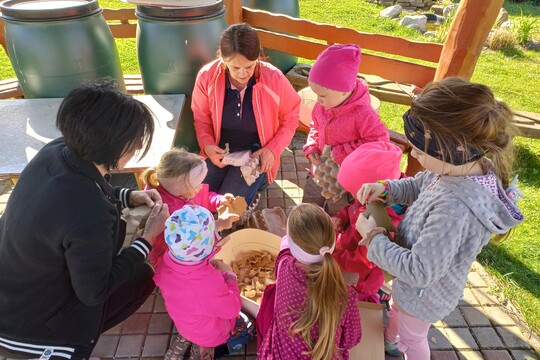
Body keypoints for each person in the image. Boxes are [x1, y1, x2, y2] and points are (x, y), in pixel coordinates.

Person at [355, 77, 525, 359]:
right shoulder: (458, 166)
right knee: (398, 310)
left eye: (420, 150)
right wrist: (387, 189)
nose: (416, 155)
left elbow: (420, 272)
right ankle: (390, 340)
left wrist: (373, 236)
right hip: (413, 291)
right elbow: (422, 184)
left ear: (451, 147)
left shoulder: (454, 210)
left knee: (414, 339)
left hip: (424, 298)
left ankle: (401, 345)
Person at [0, 81, 170, 359]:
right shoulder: (89, 213)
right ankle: (77, 341)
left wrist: (128, 196)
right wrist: (146, 239)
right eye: (135, 140)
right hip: (31, 328)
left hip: (12, 285)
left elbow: (86, 189)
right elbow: (94, 291)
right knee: (142, 277)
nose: (138, 146)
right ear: (115, 145)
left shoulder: (56, 150)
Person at [192, 23, 300, 206]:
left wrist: (272, 150)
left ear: (258, 57)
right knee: (194, 196)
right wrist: (208, 146)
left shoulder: (274, 78)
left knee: (229, 206)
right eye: (234, 68)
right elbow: (201, 118)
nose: (242, 74)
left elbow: (291, 118)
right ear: (223, 59)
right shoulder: (206, 77)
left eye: (249, 66)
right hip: (220, 151)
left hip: (256, 155)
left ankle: (256, 187)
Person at [258, 203, 361, 360]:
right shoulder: (346, 296)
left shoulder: (284, 267)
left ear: (294, 248)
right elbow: (351, 340)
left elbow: (285, 250)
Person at [154, 205, 255, 360]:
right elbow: (232, 309)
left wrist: (220, 224)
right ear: (206, 246)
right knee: (249, 327)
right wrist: (230, 275)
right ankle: (207, 352)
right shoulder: (207, 283)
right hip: (211, 334)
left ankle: (186, 338)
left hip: (185, 323)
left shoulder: (167, 261)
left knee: (194, 322)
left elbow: (198, 242)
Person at [302, 44, 389, 215]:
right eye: (316, 94)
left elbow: (379, 141)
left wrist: (342, 152)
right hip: (319, 172)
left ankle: (331, 238)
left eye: (322, 95)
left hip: (343, 182)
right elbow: (315, 126)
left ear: (344, 91)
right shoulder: (323, 106)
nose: (318, 100)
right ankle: (304, 233)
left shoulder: (363, 114)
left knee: (336, 214)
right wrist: (312, 146)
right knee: (308, 206)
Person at [139, 148, 238, 268]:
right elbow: (194, 242)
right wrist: (219, 225)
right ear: (182, 191)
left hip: (190, 251)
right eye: (197, 185)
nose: (201, 187)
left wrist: (220, 201)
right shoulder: (171, 214)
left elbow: (204, 197)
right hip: (174, 262)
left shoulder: (180, 190)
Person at [332, 141, 404, 303]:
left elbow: (365, 259)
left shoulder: (383, 221)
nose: (352, 196)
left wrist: (336, 259)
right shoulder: (374, 199)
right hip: (347, 251)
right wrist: (341, 218)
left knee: (357, 295)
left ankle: (371, 297)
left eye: (353, 192)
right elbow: (353, 208)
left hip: (361, 276)